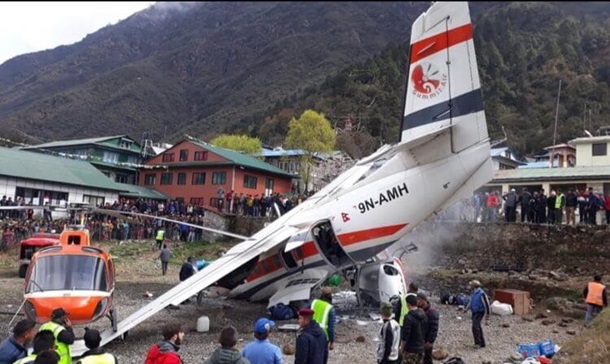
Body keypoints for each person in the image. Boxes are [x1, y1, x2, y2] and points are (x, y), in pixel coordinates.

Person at [399, 295, 426, 364]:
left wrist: (401, 348)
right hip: (421, 348)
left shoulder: (408, 317)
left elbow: (405, 335)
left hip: (411, 349)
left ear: (408, 304)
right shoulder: (424, 315)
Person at [463, 280, 490, 349]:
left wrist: (487, 317)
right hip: (474, 312)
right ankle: (482, 343)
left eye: (471, 285)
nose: (470, 286)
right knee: (478, 327)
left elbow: (486, 305)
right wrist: (466, 309)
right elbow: (471, 302)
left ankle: (477, 343)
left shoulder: (482, 294)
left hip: (480, 312)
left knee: (475, 327)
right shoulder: (474, 293)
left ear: (474, 286)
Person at [416, 293, 439, 364]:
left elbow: (434, 328)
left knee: (427, 358)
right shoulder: (419, 310)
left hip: (427, 340)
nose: (417, 302)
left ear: (423, 300)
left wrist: (430, 341)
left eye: (418, 300)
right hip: (420, 339)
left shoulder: (431, 312)